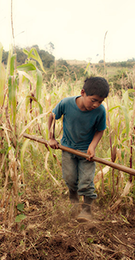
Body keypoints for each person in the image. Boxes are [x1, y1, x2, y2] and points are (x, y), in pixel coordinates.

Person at [46, 77, 109, 222]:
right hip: (67, 149)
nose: (96, 104)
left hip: (86, 153)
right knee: (70, 178)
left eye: (100, 101)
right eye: (93, 100)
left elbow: (100, 130)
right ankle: (73, 199)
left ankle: (86, 210)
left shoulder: (99, 111)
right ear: (83, 92)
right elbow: (52, 117)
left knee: (86, 181)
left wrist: (92, 147)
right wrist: (51, 137)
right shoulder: (66, 103)